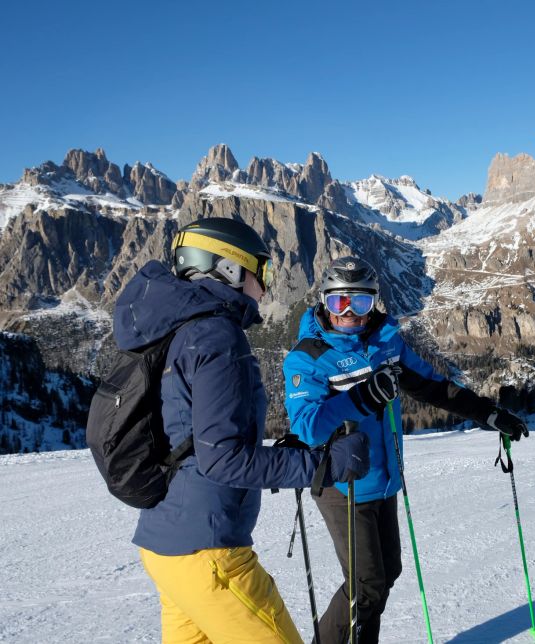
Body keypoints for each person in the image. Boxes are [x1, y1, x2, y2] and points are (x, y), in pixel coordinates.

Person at [114, 218, 370, 644]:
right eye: (263, 272)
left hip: (166, 545)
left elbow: (196, 437)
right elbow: (224, 459)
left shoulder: (178, 326)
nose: (266, 287)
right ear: (229, 270)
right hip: (209, 553)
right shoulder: (216, 336)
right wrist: (324, 463)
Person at [282, 256, 529, 643]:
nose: (348, 313)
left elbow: (432, 386)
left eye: (359, 303)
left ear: (374, 303)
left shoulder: (386, 342)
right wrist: (361, 397)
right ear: (324, 303)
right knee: (366, 585)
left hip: (383, 479)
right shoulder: (308, 357)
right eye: (339, 302)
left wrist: (489, 414)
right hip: (341, 483)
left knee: (386, 574)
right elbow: (308, 427)